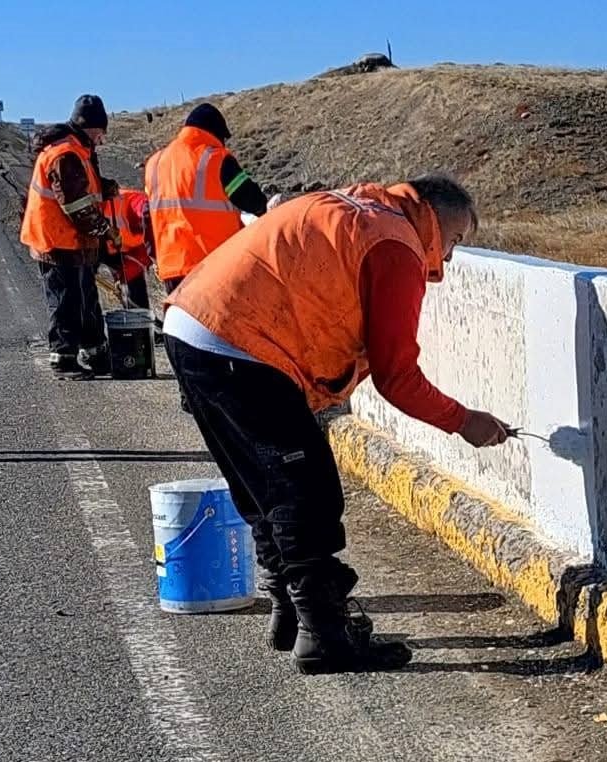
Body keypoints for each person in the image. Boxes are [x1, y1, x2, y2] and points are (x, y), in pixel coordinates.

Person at [163, 173, 509, 674]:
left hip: (193, 326)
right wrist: (463, 421)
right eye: (454, 241)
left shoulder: (357, 211)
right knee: (308, 495)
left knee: (265, 490)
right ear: (434, 217)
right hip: (241, 343)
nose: (449, 259)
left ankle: (291, 613)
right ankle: (325, 635)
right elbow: (397, 376)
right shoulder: (396, 247)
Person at [20, 94, 120, 376]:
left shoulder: (78, 150)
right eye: (102, 132)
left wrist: (104, 186)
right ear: (93, 128)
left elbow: (83, 187)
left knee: (86, 299)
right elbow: (77, 205)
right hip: (56, 241)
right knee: (66, 301)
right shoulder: (64, 154)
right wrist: (106, 231)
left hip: (75, 242)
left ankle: (96, 353)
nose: (103, 138)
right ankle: (63, 358)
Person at [144, 103, 268, 294]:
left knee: (183, 324)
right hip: (214, 266)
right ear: (215, 132)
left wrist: (155, 257)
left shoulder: (155, 163)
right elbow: (254, 201)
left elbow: (147, 215)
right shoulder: (216, 159)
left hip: (172, 269)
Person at [100, 188, 153, 309]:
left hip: (118, 251)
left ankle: (139, 320)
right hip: (92, 240)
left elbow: (139, 258)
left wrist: (125, 276)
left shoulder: (155, 239)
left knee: (134, 287)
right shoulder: (135, 202)